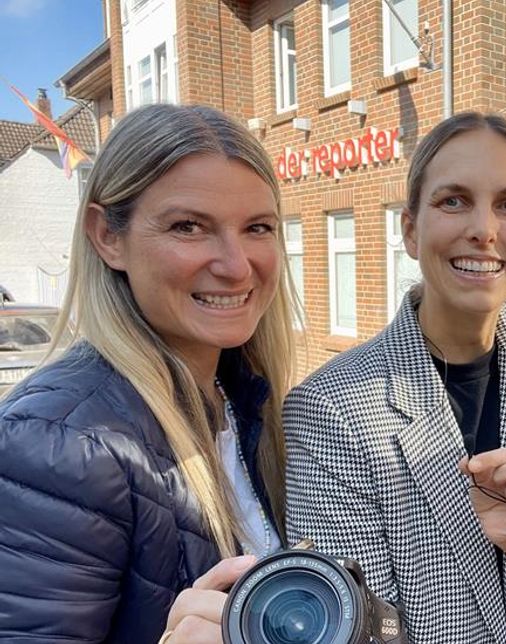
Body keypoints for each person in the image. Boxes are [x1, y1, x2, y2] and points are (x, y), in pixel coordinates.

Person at [284, 112, 506, 643]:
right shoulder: (329, 408)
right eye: (453, 200)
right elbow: (361, 627)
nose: (484, 229)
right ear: (411, 230)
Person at [0, 104, 298, 643]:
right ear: (107, 236)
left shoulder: (248, 401)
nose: (235, 265)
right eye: (189, 226)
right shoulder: (58, 443)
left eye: (257, 227)